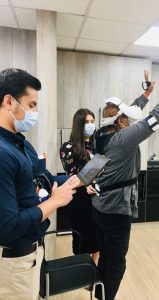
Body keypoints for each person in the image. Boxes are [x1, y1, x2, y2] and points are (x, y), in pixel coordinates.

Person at [93, 60, 159, 300]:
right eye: (127, 120)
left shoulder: (103, 135)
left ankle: (99, 293)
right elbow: (157, 117)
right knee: (117, 262)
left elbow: (130, 110)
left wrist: (146, 94)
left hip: (100, 207)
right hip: (116, 213)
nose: (130, 122)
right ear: (121, 122)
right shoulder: (123, 139)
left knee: (107, 256)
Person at [0, 68, 83, 300]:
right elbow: (8, 227)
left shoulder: (21, 145)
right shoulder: (2, 153)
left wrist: (83, 177)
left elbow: (46, 179)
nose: (35, 112)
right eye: (32, 104)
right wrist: (55, 202)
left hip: (33, 251)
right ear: (9, 101)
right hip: (14, 261)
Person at [60, 109, 100, 264]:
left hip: (96, 197)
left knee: (96, 233)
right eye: (86, 122)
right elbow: (72, 174)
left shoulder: (95, 145)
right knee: (81, 234)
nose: (90, 125)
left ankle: (95, 265)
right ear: (79, 125)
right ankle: (81, 268)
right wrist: (87, 183)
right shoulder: (68, 147)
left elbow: (101, 170)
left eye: (92, 121)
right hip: (79, 198)